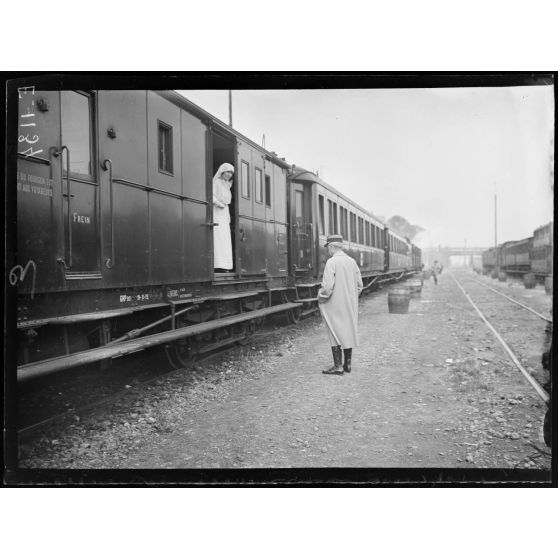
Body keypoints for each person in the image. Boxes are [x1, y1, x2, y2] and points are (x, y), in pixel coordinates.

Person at [318, 234, 363, 375]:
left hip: (334, 304)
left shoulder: (332, 262)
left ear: (332, 247)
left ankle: (338, 366)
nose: (327, 251)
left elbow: (327, 287)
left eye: (328, 248)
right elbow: (360, 286)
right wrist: (351, 297)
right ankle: (347, 365)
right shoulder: (352, 262)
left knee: (334, 331)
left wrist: (321, 296)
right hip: (349, 303)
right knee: (347, 330)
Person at [212, 163, 234, 272]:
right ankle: (217, 264)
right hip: (217, 211)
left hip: (225, 212)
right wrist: (219, 204)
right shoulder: (216, 182)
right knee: (218, 237)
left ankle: (225, 265)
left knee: (225, 238)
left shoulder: (226, 184)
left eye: (231, 172)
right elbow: (211, 196)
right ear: (222, 172)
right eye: (228, 172)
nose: (229, 174)